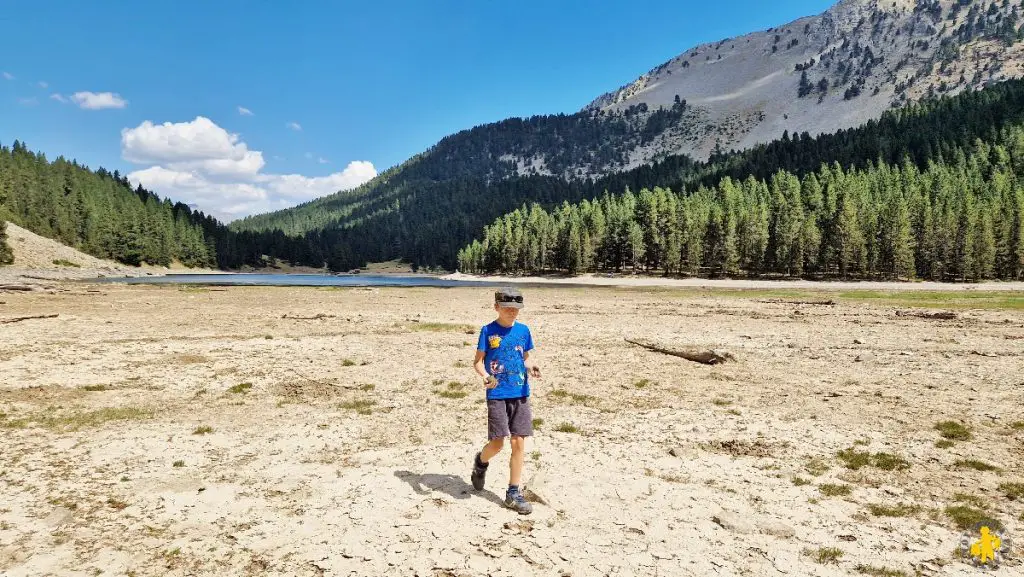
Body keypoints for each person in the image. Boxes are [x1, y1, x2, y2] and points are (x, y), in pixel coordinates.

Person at [469, 287, 541, 515]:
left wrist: (531, 366)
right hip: (498, 394)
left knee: (519, 442)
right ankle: (480, 462)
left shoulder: (523, 330)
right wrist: (485, 376)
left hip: (520, 392)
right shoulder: (488, 331)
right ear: (497, 307)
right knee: (498, 443)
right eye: (507, 308)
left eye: (516, 309)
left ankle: (513, 493)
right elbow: (478, 362)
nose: (512, 312)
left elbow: (525, 356)